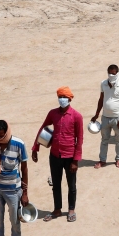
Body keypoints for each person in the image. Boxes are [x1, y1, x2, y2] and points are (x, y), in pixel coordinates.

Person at [32, 87, 83, 222]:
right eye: (59, 96)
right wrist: (35, 148)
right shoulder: (53, 113)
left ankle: (71, 209)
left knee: (71, 185)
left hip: (69, 156)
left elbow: (80, 139)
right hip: (54, 155)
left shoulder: (77, 116)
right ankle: (57, 209)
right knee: (56, 184)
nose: (61, 99)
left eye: (64, 97)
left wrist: (75, 160)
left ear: (69, 99)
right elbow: (43, 128)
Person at [90, 65, 119, 169]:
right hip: (105, 117)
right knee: (104, 139)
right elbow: (101, 99)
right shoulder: (103, 84)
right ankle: (102, 160)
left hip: (117, 118)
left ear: (118, 73)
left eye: (114, 73)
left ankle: (118, 159)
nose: (111, 75)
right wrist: (97, 114)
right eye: (110, 73)